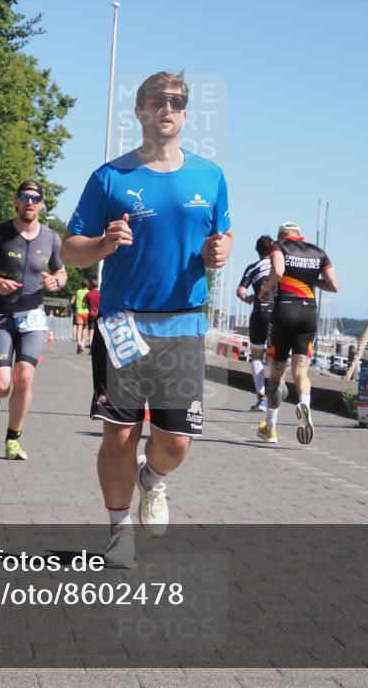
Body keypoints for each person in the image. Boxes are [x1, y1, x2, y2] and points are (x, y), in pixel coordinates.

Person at [62, 71, 232, 567]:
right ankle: (118, 530)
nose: (167, 108)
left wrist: (219, 251)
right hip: (122, 323)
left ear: (185, 113)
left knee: (176, 442)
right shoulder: (109, 177)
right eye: (158, 101)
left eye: (177, 102)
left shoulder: (210, 176)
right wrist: (103, 244)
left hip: (183, 323)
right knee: (119, 434)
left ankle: (152, 480)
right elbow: (71, 251)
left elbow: (222, 237)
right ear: (138, 111)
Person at [0, 180, 67, 460]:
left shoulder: (51, 238)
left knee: (24, 378)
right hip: (2, 314)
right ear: (16, 201)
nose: (29, 202)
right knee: (2, 384)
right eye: (24, 197)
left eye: (35, 198)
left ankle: (13, 440)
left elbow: (62, 274)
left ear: (41, 205)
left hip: (34, 318)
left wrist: (56, 282)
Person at [256, 221, 338, 444]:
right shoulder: (318, 252)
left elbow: (279, 271)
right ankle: (304, 403)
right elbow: (334, 285)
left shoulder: (278, 246)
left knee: (276, 375)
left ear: (282, 235)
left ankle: (270, 428)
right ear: (300, 235)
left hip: (284, 311)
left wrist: (264, 289)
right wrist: (311, 281)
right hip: (308, 313)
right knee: (301, 371)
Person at [236, 235, 275, 411]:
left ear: (257, 251)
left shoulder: (252, 268)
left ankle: (261, 398)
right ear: (272, 249)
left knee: (257, 357)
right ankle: (276, 397)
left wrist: (250, 299)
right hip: (277, 314)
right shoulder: (279, 266)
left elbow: (240, 291)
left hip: (259, 313)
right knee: (275, 357)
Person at [71, 280, 90, 353]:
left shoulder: (77, 292)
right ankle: (82, 343)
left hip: (78, 311)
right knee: (84, 328)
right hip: (86, 312)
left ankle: (78, 342)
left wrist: (74, 307)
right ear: (87, 286)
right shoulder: (88, 292)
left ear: (81, 285)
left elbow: (72, 302)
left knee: (79, 328)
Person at [84, 280, 100, 352]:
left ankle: (91, 346)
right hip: (99, 314)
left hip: (91, 314)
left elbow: (83, 304)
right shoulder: (100, 294)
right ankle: (97, 347)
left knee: (91, 330)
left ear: (91, 286)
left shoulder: (88, 294)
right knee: (98, 332)